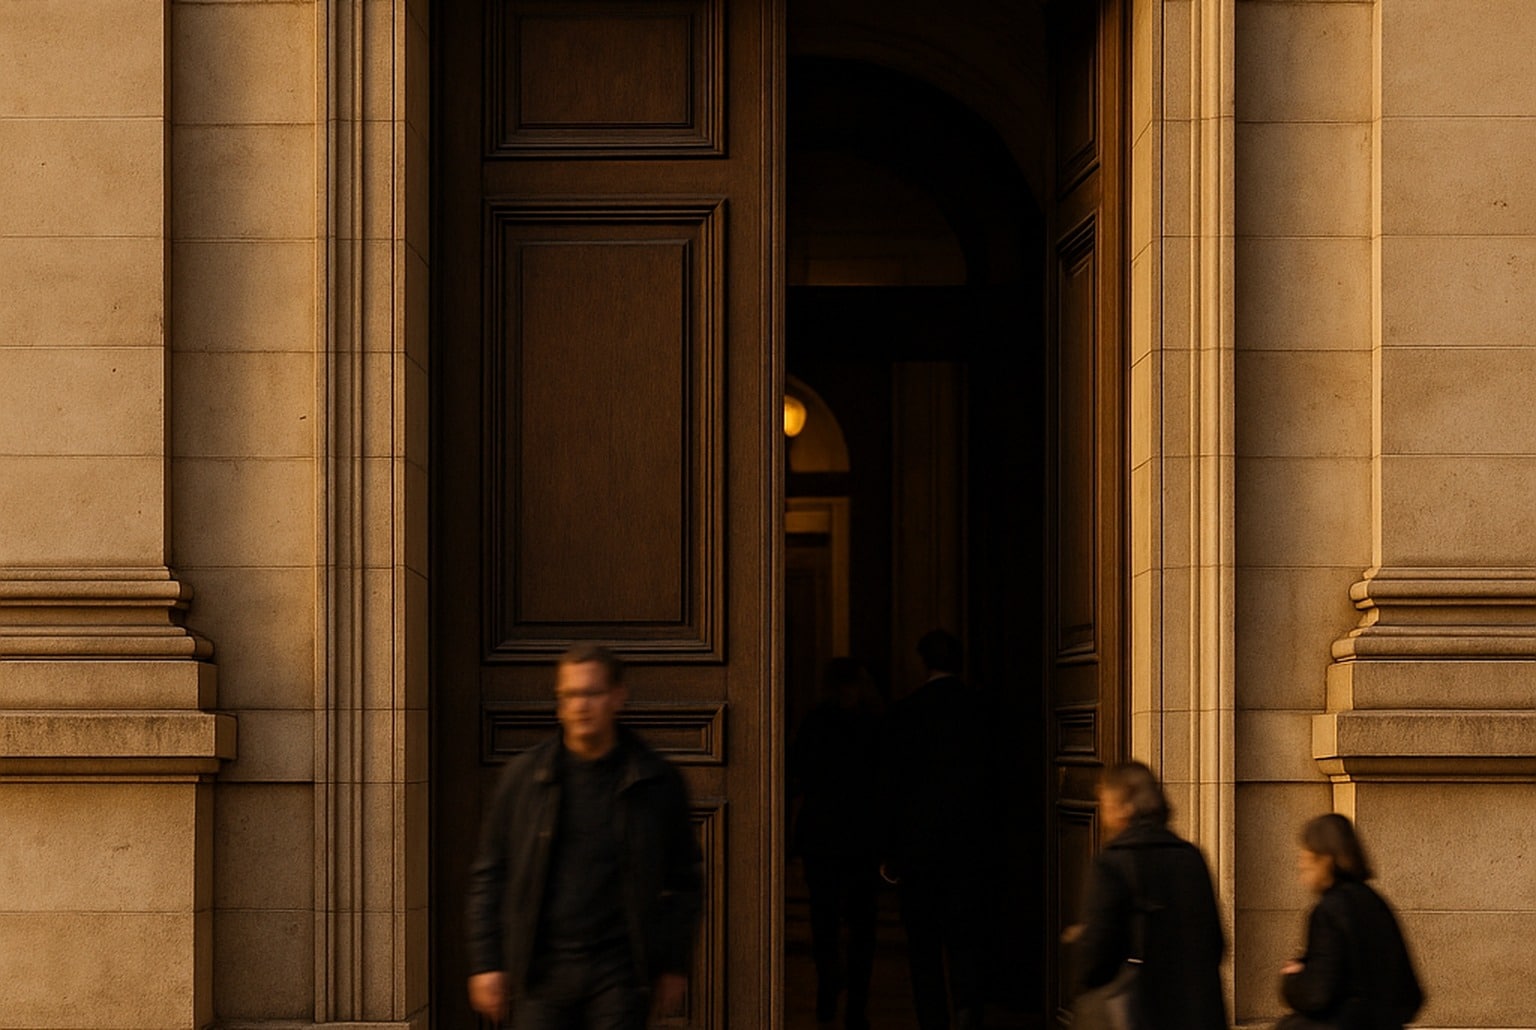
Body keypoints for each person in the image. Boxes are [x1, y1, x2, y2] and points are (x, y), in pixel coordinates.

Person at [465, 644, 703, 1029]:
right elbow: (489, 875)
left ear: (617, 698)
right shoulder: (524, 779)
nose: (580, 705)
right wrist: (487, 962)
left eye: (591, 693)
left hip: (620, 974)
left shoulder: (655, 780)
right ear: (559, 703)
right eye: (570, 695)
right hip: (541, 972)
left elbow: (684, 880)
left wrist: (674, 964)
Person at [880, 629, 998, 1030]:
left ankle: (933, 1023)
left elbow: (892, 789)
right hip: (972, 852)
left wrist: (891, 855)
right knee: (968, 947)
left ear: (923, 662)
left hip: (920, 855)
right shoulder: (982, 710)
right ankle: (969, 1019)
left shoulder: (904, 713)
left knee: (924, 953)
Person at [1072, 761, 1227, 1030]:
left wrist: (1081, 940)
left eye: (1106, 803)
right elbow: (1215, 944)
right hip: (1197, 1015)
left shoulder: (1110, 864)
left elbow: (1094, 962)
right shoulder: (1191, 858)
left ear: (1125, 807)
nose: (1103, 813)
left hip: (1137, 1015)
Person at [789, 657, 885, 1029]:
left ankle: (830, 986)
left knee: (825, 922)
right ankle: (855, 1006)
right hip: (859, 838)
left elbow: (798, 773)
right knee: (861, 928)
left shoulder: (816, 722)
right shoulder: (873, 724)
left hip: (824, 837)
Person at [1277, 813, 1423, 1030]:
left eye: (1306, 855)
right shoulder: (1375, 902)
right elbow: (1410, 993)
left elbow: (1317, 994)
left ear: (1325, 859)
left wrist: (1295, 978)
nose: (1300, 864)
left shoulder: (1328, 910)